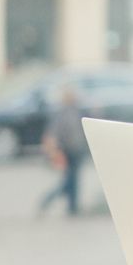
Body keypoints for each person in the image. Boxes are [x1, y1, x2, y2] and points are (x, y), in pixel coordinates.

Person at [39, 85, 89, 216]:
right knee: (68, 182)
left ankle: (73, 207)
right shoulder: (62, 113)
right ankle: (48, 200)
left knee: (74, 182)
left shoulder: (77, 110)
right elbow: (54, 133)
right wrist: (54, 152)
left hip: (78, 151)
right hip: (69, 151)